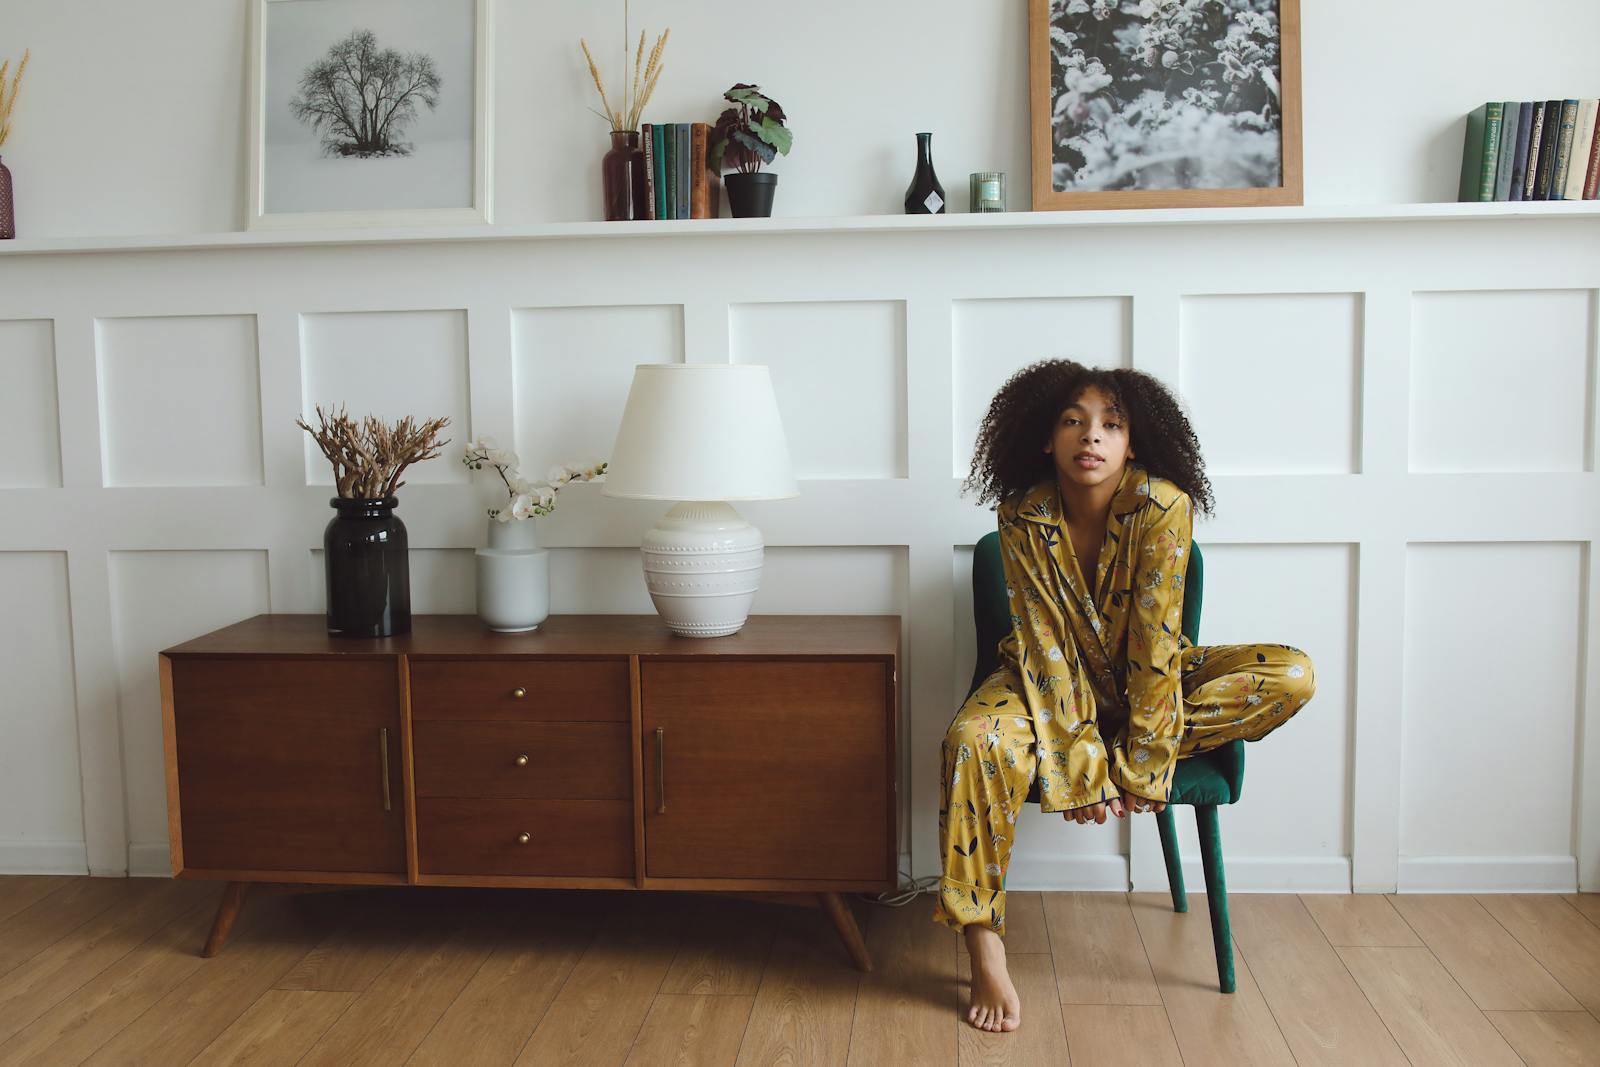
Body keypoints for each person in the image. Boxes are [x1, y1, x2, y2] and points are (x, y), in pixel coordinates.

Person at [934, 360, 1316, 1033]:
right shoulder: (1022, 514)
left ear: (1133, 443)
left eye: (1111, 424)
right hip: (1041, 684)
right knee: (972, 740)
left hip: (1152, 680)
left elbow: (1155, 641)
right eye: (1073, 421)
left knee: (1292, 675)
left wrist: (1139, 762)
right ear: (1046, 437)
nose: (1092, 436)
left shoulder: (1165, 506)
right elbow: (1046, 648)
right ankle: (983, 944)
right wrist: (1082, 768)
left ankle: (1129, 752)